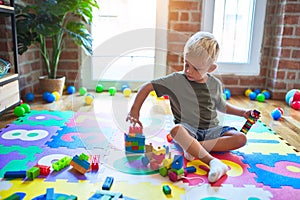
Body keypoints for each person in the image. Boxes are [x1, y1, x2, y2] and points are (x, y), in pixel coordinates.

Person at [126, 31, 260, 183]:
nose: (188, 71)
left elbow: (221, 106)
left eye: (196, 68)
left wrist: (243, 113)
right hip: (188, 129)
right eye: (186, 64)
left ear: (211, 68)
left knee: (241, 138)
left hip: (212, 130)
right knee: (176, 130)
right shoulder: (176, 80)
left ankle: (193, 147)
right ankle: (212, 161)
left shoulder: (214, 84)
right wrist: (134, 112)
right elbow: (146, 87)